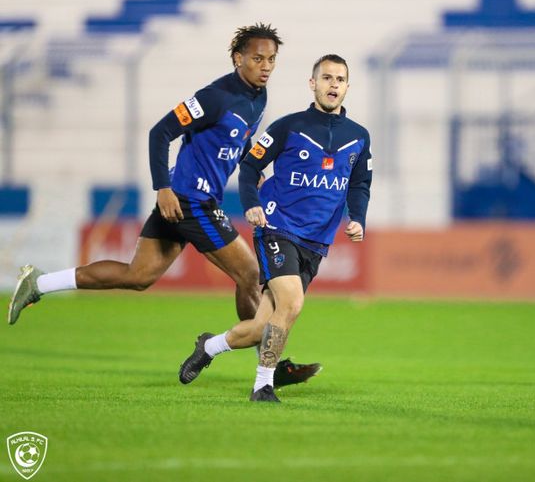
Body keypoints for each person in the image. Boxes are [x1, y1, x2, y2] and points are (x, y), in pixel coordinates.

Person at [7, 23, 320, 388]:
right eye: (256, 58)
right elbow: (161, 132)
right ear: (238, 59)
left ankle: (38, 284)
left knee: (138, 276)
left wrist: (253, 172)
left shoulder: (258, 98)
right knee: (250, 275)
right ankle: (269, 366)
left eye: (271, 59)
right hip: (190, 200)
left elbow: (228, 145)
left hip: (191, 200)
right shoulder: (214, 96)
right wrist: (163, 188)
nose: (265, 66)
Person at [178, 54, 372, 402]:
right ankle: (262, 386)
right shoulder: (288, 127)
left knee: (259, 329)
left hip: (317, 241)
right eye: (326, 78)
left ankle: (209, 346)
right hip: (277, 227)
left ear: (347, 87)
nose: (333, 85)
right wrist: (251, 203)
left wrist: (357, 217)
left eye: (340, 80)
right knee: (292, 302)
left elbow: (359, 184)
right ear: (312, 84)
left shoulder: (358, 137)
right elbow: (250, 167)